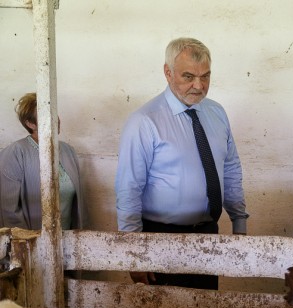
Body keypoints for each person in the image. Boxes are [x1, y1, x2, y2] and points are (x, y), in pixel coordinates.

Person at [115, 37, 248, 289]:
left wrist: (239, 223)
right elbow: (128, 188)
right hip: (159, 240)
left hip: (208, 236)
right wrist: (133, 256)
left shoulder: (217, 113)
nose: (198, 86)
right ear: (167, 72)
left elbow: (230, 169)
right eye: (188, 77)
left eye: (205, 76)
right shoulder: (144, 121)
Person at [0, 92, 86, 230]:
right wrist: (28, 244)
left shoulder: (68, 150)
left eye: (54, 113)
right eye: (46, 115)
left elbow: (77, 204)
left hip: (67, 237)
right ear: (30, 124)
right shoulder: (15, 153)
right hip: (32, 242)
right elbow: (8, 209)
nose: (55, 119)